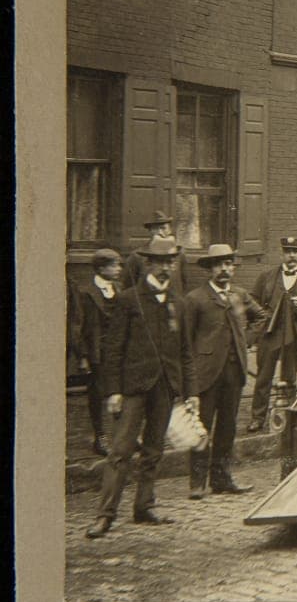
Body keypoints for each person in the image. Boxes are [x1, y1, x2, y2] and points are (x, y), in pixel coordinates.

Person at [86, 235, 198, 538]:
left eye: (170, 261)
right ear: (148, 263)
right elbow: (113, 350)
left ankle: (144, 506)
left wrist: (191, 393)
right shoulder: (129, 299)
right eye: (160, 261)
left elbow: (187, 352)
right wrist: (113, 391)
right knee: (120, 451)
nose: (166, 267)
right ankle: (105, 514)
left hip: (166, 387)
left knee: (154, 450)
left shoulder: (180, 302)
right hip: (133, 388)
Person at [184, 243, 269, 498]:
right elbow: (186, 341)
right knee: (201, 427)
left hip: (234, 373)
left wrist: (246, 339)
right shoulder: (195, 299)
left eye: (229, 264)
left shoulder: (240, 295)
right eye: (219, 265)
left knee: (227, 428)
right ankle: (197, 483)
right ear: (210, 269)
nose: (225, 269)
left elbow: (262, 317)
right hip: (206, 374)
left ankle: (222, 479)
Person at [248, 236, 297, 433]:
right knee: (263, 377)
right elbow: (252, 301)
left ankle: (288, 417)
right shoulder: (267, 276)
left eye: (295, 251)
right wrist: (264, 317)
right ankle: (258, 418)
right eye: (288, 251)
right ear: (282, 254)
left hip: (294, 333)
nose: (291, 255)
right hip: (270, 333)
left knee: (290, 377)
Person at [75, 248, 123, 456]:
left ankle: (122, 434)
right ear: (101, 268)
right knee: (97, 394)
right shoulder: (86, 292)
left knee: (121, 391)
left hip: (118, 350)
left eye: (119, 265)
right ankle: (100, 436)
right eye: (114, 265)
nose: (118, 269)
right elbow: (78, 325)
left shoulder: (119, 290)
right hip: (97, 351)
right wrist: (83, 356)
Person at [123, 210, 189, 294]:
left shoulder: (179, 255)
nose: (160, 232)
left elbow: (184, 283)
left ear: (170, 230)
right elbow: (129, 286)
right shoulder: (137, 255)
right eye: (155, 229)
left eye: (163, 228)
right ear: (150, 231)